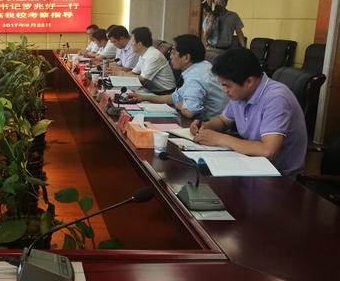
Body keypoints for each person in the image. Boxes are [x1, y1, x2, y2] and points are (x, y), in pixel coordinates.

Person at [190, 48, 307, 177]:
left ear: (249, 82)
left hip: (279, 176)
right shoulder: (240, 93)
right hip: (250, 164)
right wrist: (205, 126)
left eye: (227, 85)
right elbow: (223, 121)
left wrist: (220, 139)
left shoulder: (276, 98)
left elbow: (268, 151)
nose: (224, 90)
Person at [134, 34, 227, 120]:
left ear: (186, 58)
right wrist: (144, 97)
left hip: (211, 125)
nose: (170, 57)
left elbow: (189, 112)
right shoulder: (203, 65)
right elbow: (174, 98)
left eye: (173, 53)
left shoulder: (195, 77)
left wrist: (180, 105)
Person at [128, 27, 176, 94]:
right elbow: (134, 72)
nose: (131, 44)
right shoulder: (143, 54)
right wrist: (119, 75)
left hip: (165, 92)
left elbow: (142, 79)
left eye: (132, 41)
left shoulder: (153, 56)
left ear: (139, 44)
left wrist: (122, 74)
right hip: (151, 89)